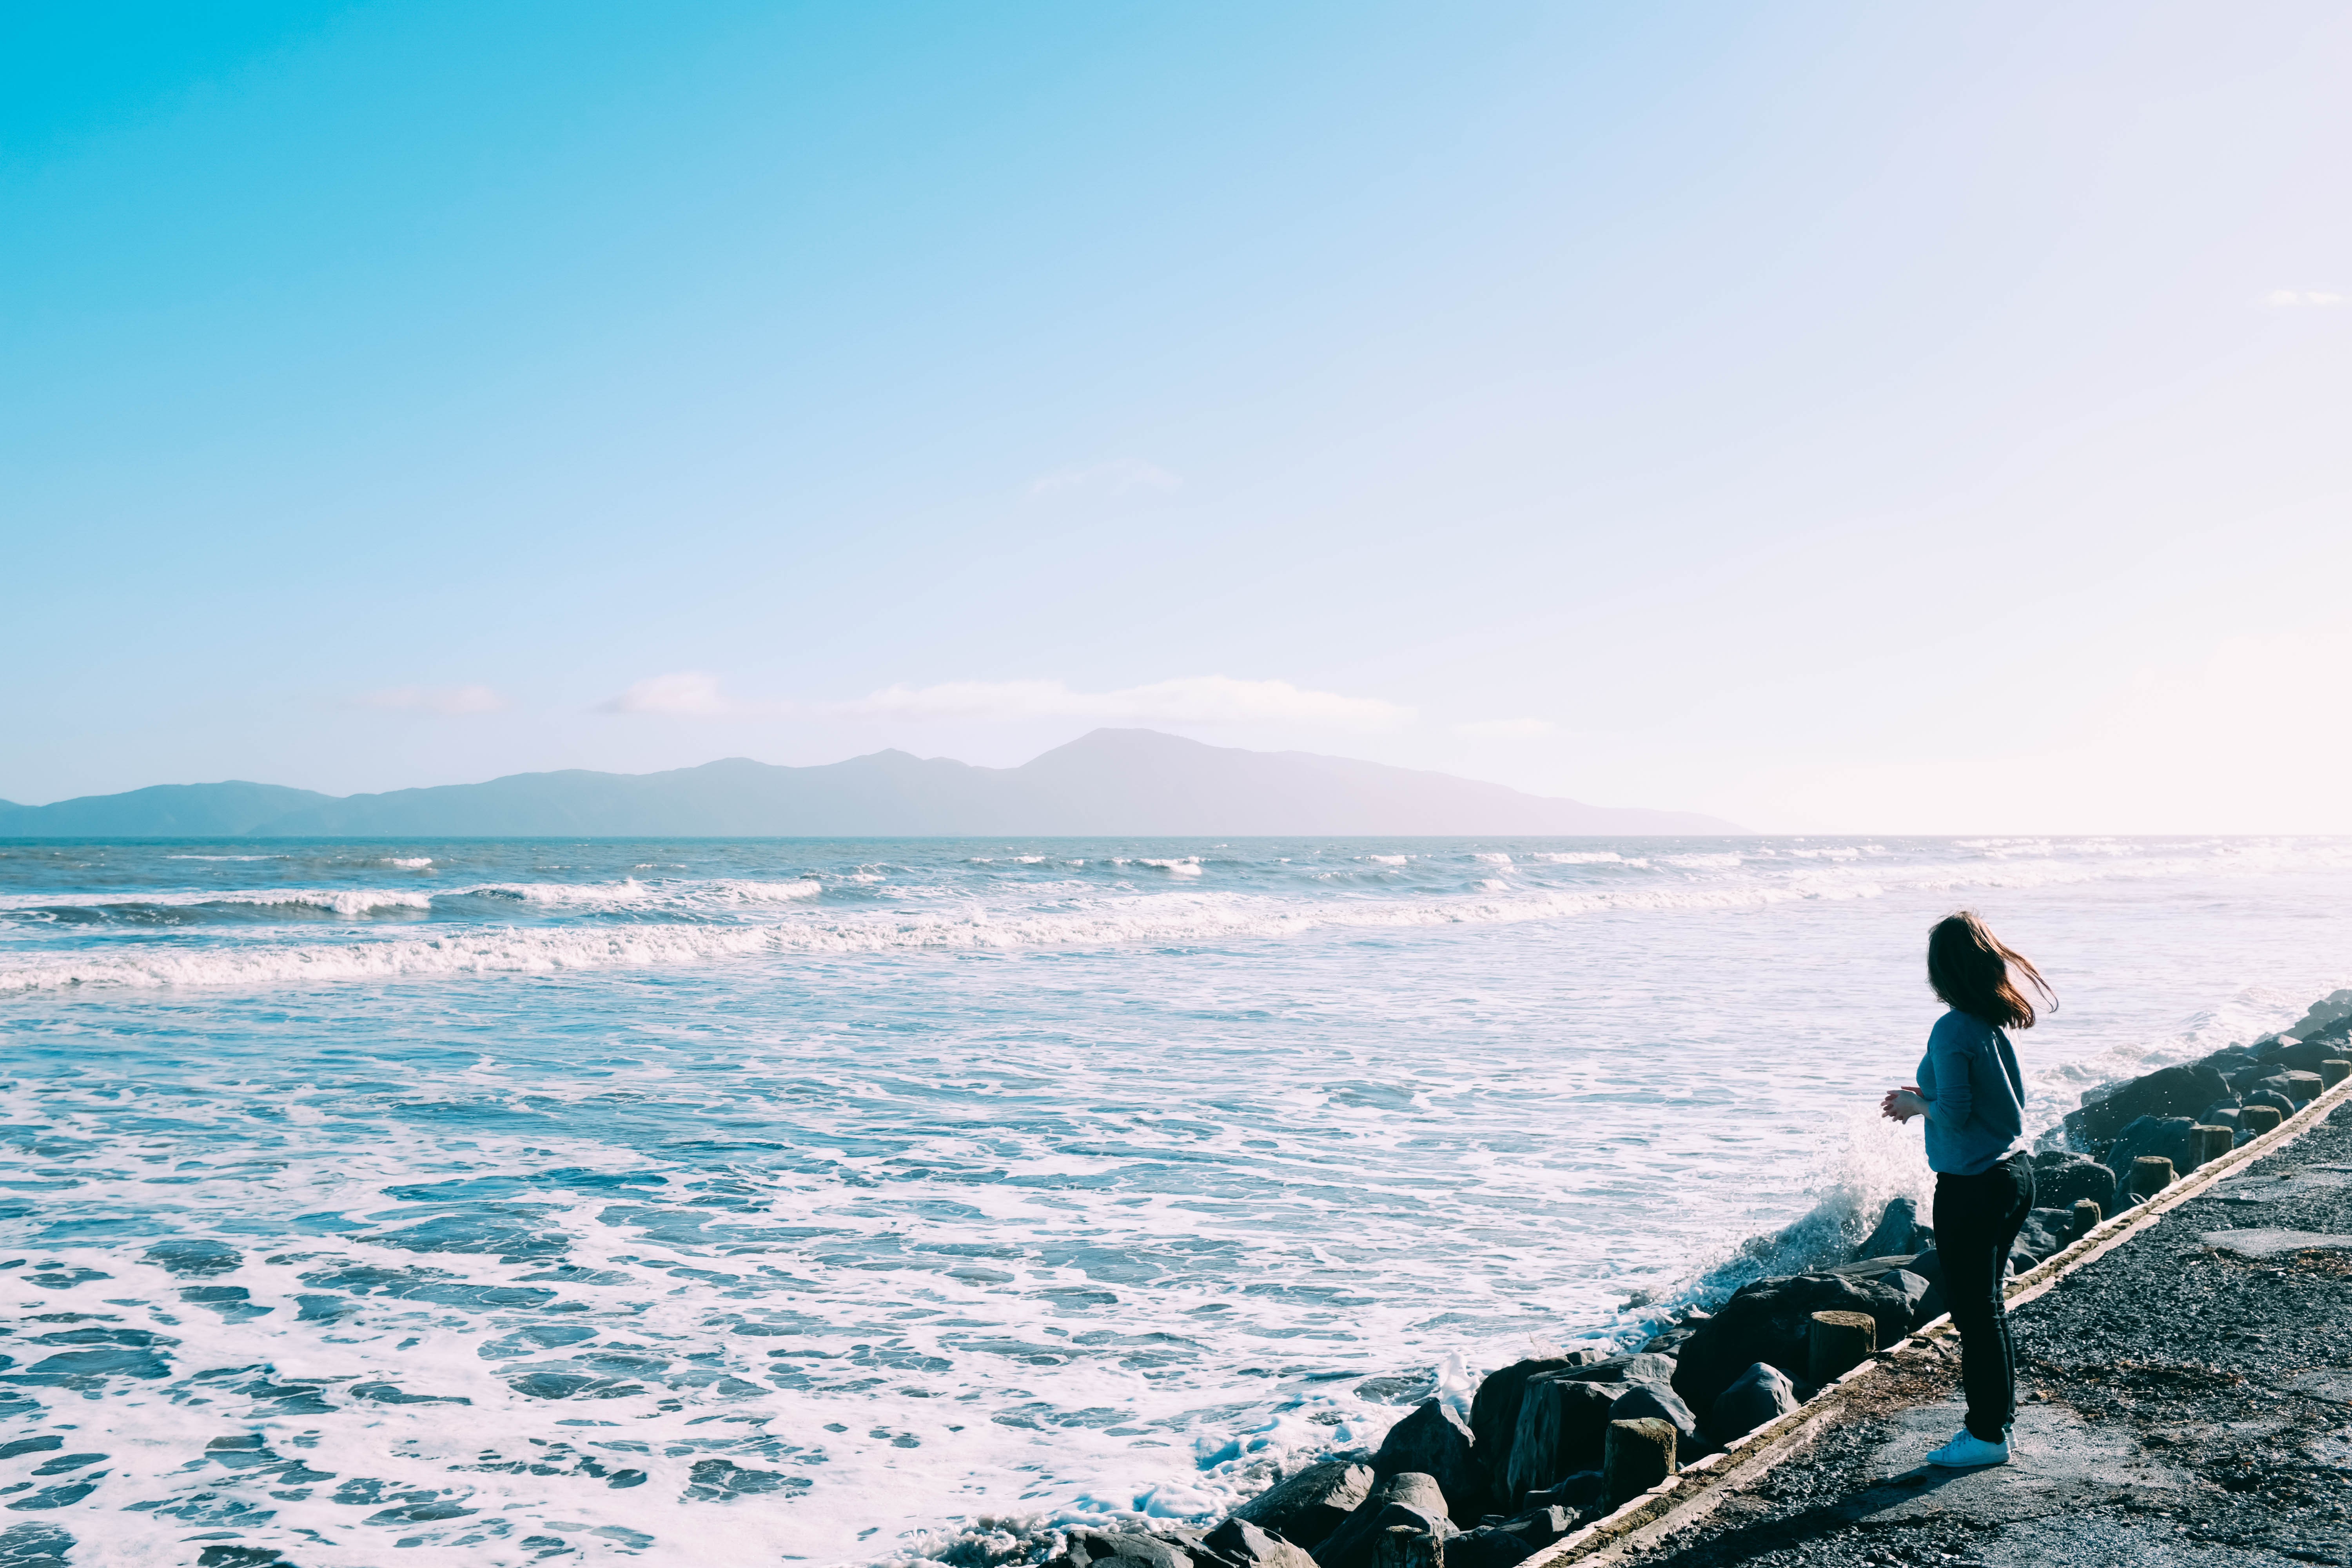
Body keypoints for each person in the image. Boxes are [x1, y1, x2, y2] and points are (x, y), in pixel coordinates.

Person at [1880, 910, 2054, 1468]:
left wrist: (1917, 1105)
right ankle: (1993, 1426)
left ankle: (1986, 1435)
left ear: (1943, 972)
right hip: (2013, 1173)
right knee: (1988, 1307)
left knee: (1973, 1312)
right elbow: (1985, 1101)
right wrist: (1927, 1093)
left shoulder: (1953, 1027)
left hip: (1973, 1186)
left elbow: (1954, 1114)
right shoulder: (1990, 1020)